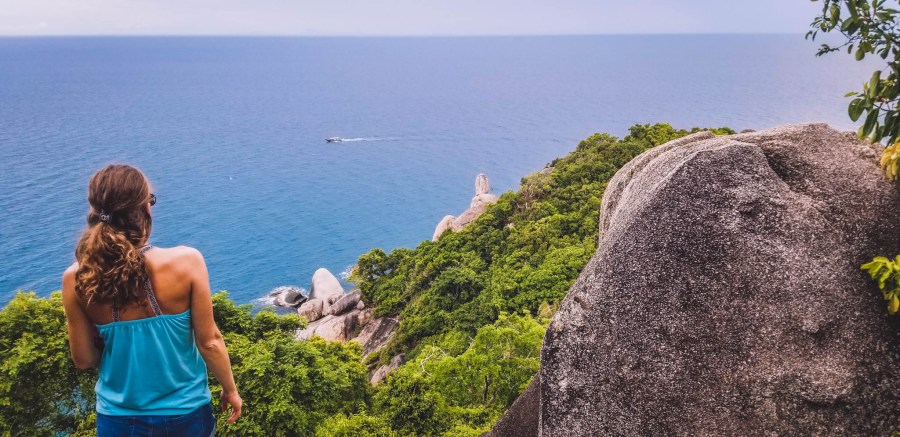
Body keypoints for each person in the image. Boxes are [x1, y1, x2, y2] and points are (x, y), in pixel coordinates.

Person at [61, 164, 242, 436]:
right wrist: (230, 390)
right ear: (145, 209)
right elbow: (209, 342)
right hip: (186, 414)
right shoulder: (187, 262)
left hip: (117, 420)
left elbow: (84, 360)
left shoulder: (76, 279)